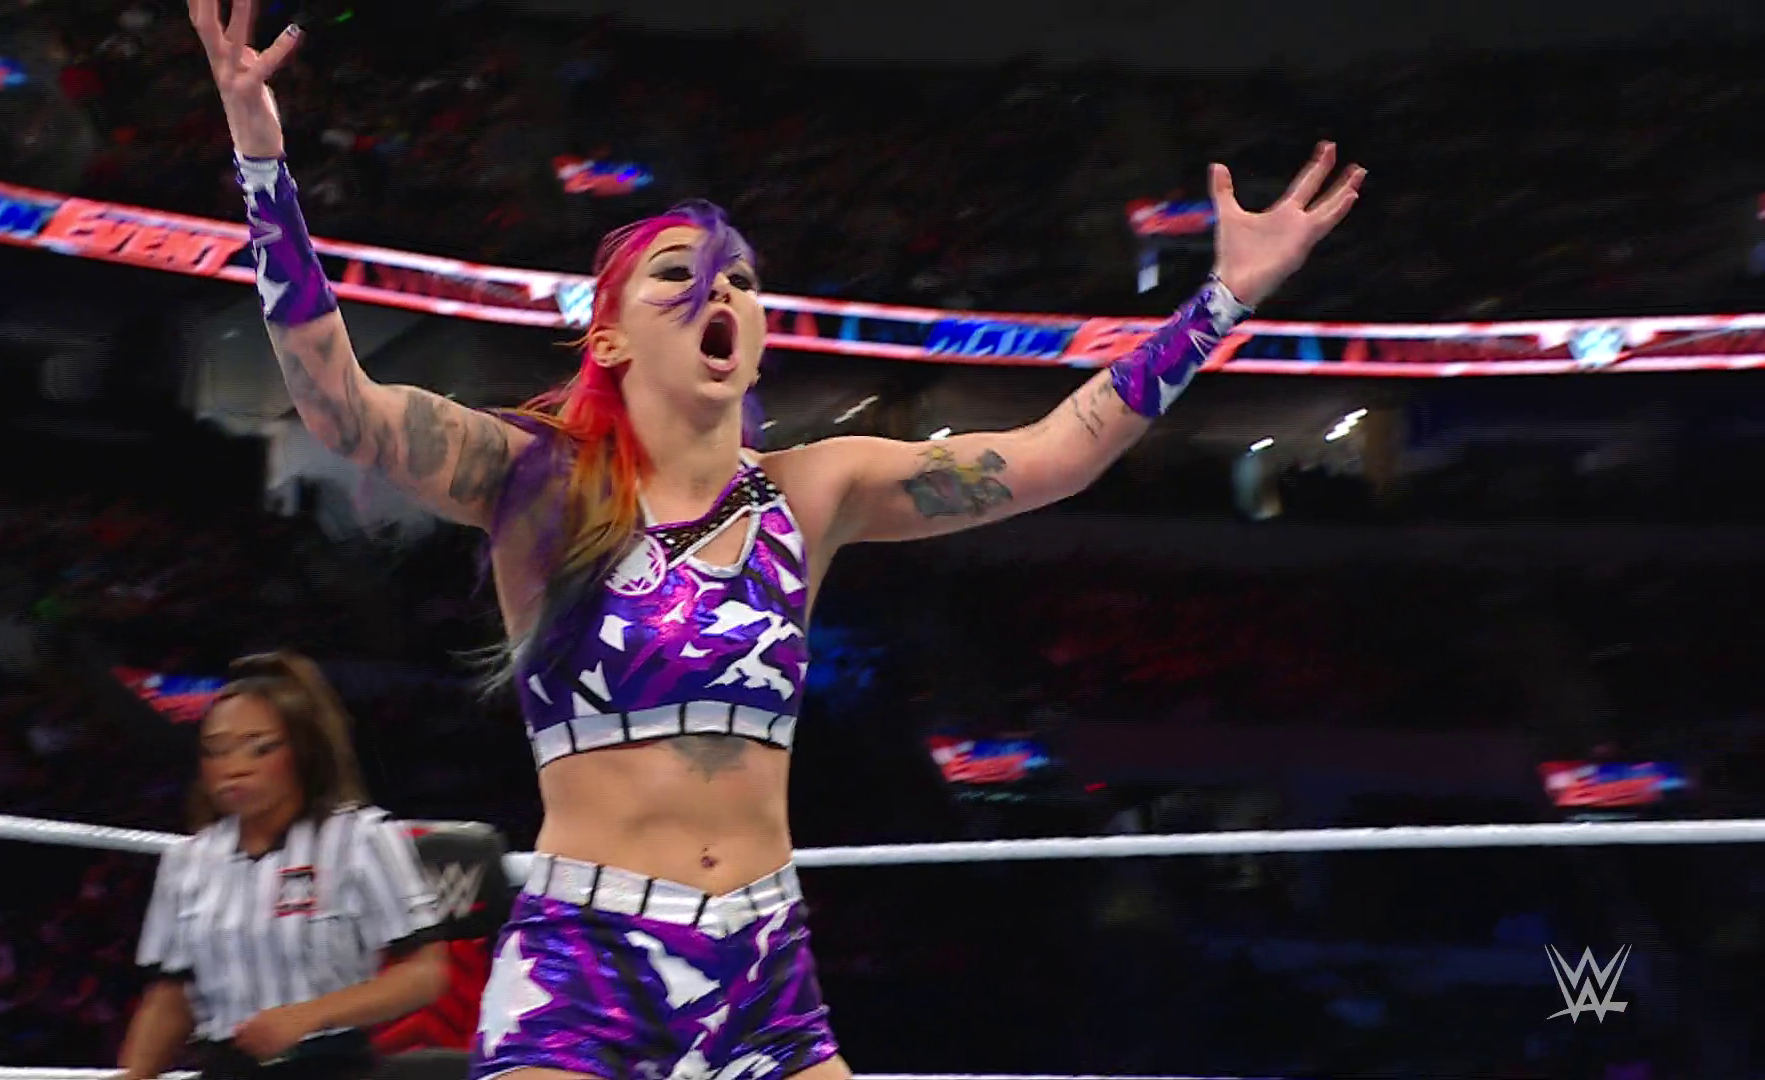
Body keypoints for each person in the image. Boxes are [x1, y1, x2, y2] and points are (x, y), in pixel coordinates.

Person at [187, 4, 1364, 1079]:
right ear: (609, 339)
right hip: (588, 959)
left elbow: (1057, 452)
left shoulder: (816, 490)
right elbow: (337, 402)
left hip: (764, 969)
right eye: (680, 275)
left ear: (755, 338)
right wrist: (263, 165)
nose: (720, 292)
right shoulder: (534, 478)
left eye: (741, 281)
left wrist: (1220, 302)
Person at [119, 651, 449, 1080]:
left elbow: (425, 973)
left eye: (259, 748)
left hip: (329, 1067)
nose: (235, 768)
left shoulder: (360, 838)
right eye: (217, 750)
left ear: (301, 751)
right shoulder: (187, 861)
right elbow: (170, 996)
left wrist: (310, 1015)